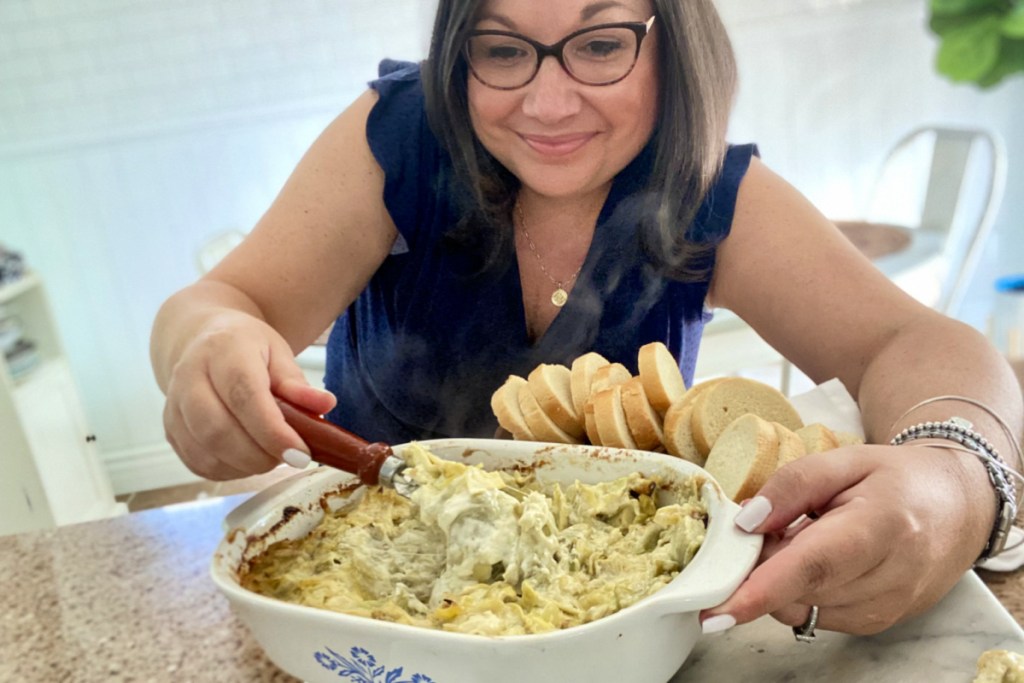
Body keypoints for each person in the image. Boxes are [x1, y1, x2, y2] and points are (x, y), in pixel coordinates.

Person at [151, 0, 1023, 641]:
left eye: (601, 43)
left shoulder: (706, 193)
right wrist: (206, 348)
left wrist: (955, 481)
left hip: (616, 629)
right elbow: (222, 304)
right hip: (355, 618)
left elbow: (921, 345)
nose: (550, 103)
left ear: (671, 45)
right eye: (502, 50)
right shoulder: (401, 138)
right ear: (462, 53)